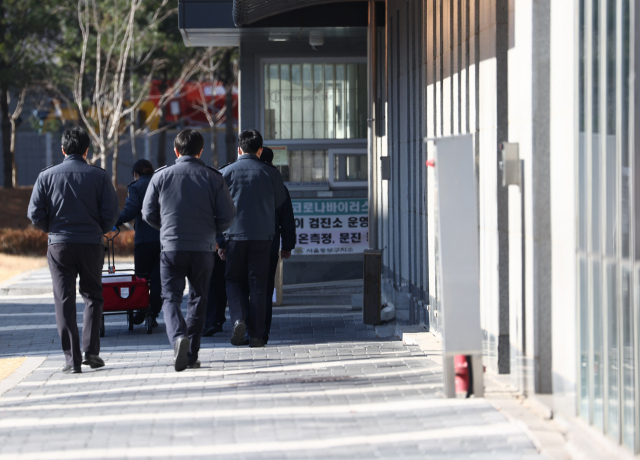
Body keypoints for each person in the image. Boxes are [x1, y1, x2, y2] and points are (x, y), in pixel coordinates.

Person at [27, 127, 119, 374]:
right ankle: (91, 351)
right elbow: (111, 214)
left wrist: (52, 229)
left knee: (64, 300)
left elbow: (34, 214)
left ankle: (72, 359)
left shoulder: (46, 176)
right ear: (87, 150)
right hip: (90, 244)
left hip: (59, 245)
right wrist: (96, 228)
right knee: (93, 296)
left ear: (63, 149)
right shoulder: (99, 176)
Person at [142, 129, 236, 372]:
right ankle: (191, 354)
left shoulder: (161, 176)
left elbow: (147, 213)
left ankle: (177, 338)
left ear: (176, 151)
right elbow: (228, 216)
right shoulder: (213, 177)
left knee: (170, 297)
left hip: (171, 247)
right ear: (201, 151)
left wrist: (166, 228)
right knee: (198, 299)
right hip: (203, 249)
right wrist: (211, 231)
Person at [219, 129, 286, 348]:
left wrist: (220, 242)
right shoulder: (271, 173)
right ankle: (257, 335)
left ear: (239, 149)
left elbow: (217, 209)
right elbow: (279, 203)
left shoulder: (226, 173)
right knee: (259, 285)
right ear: (260, 150)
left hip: (233, 237)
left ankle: (239, 319)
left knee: (233, 280)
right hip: (262, 238)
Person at [115, 159, 161, 329]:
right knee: (158, 280)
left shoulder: (135, 187)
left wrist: (114, 221)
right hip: (163, 240)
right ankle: (153, 312)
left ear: (135, 174)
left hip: (144, 241)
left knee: (142, 278)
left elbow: (131, 210)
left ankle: (142, 309)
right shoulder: (161, 183)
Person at [259, 147, 296, 344]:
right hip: (269, 241)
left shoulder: (237, 175)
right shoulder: (277, 182)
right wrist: (287, 245)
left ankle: (245, 324)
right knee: (265, 288)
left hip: (239, 241)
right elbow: (286, 217)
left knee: (243, 285)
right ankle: (262, 331)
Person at [202, 233, 228, 337]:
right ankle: (217, 320)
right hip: (218, 242)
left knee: (209, 284)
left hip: (208, 243)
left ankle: (211, 321)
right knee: (220, 283)